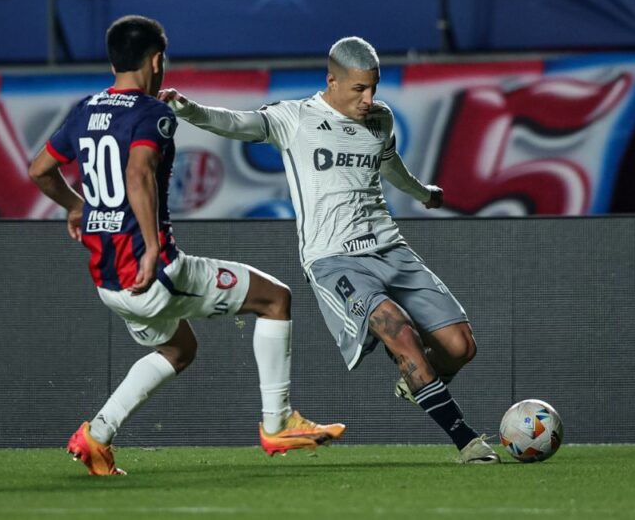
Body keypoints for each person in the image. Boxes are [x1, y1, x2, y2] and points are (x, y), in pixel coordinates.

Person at [28, 15, 345, 476]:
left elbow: (40, 169)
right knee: (275, 298)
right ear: (157, 60)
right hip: (155, 274)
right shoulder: (152, 113)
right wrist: (154, 249)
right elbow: (138, 174)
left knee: (179, 349)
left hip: (109, 282)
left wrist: (75, 206)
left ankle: (96, 436)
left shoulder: (85, 109)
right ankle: (277, 423)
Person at [158, 36, 498, 464]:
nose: (368, 98)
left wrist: (423, 193)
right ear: (332, 81)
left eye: (373, 88)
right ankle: (466, 440)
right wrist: (189, 110)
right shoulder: (295, 118)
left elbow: (387, 163)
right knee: (400, 334)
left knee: (460, 347)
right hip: (334, 258)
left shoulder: (380, 120)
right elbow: (235, 122)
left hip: (390, 247)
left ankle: (419, 383)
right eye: (358, 89)